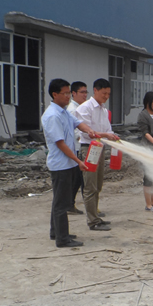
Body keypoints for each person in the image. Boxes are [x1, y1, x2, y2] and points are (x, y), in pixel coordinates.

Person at [41, 78, 96, 248]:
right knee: (62, 203)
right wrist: (78, 160)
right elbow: (60, 143)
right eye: (64, 93)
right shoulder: (52, 116)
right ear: (54, 94)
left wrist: (90, 130)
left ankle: (56, 232)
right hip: (61, 165)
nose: (67, 97)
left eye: (68, 93)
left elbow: (78, 123)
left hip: (68, 164)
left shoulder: (64, 112)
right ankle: (62, 239)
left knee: (60, 200)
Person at [75, 78, 120, 231]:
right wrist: (106, 135)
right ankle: (93, 221)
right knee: (90, 186)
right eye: (104, 93)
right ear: (95, 90)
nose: (106, 96)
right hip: (89, 149)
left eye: (108, 94)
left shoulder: (104, 110)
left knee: (98, 185)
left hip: (99, 149)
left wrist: (112, 137)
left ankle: (96, 216)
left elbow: (108, 130)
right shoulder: (85, 108)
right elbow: (86, 132)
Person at [65, 81, 88, 216]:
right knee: (79, 178)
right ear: (74, 93)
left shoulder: (80, 108)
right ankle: (71, 204)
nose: (85, 95)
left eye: (86, 92)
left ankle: (71, 204)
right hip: (77, 148)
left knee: (79, 179)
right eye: (82, 92)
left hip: (79, 147)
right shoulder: (73, 110)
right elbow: (75, 131)